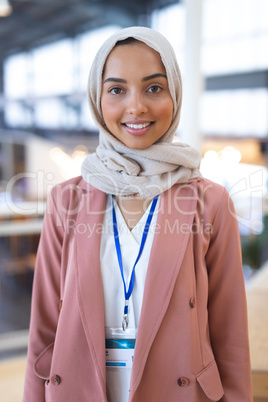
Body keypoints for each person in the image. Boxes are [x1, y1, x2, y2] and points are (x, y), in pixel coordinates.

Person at [23, 26, 252, 402]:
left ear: (174, 94)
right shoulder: (66, 201)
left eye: (153, 88)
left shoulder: (211, 201)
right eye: (117, 90)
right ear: (98, 100)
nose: (136, 107)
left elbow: (230, 338)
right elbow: (45, 329)